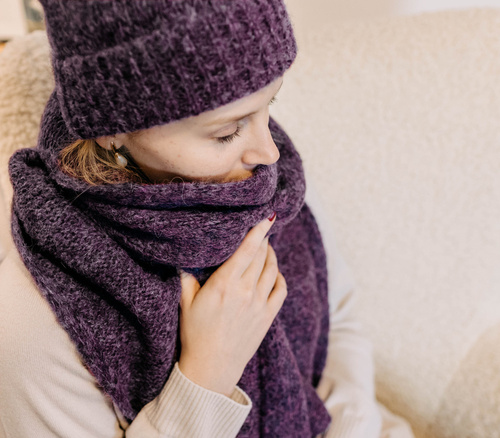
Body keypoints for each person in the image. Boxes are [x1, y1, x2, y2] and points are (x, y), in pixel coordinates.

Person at [0, 0, 415, 437]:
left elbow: (342, 321)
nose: (270, 153)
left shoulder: (266, 187)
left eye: (269, 104)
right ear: (111, 130)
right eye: (226, 131)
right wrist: (206, 376)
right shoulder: (31, 328)